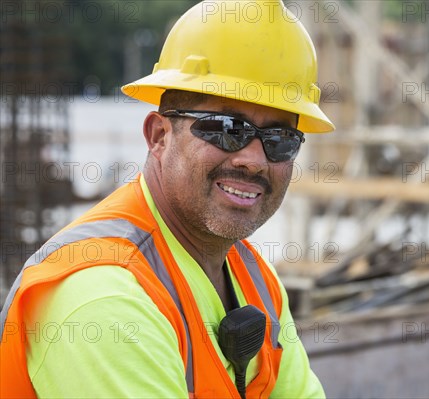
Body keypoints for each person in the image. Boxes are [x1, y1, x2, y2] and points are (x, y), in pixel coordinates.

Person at [0, 1, 335, 397]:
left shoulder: (255, 278)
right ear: (159, 136)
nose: (254, 160)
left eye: (280, 140)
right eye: (227, 128)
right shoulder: (105, 297)